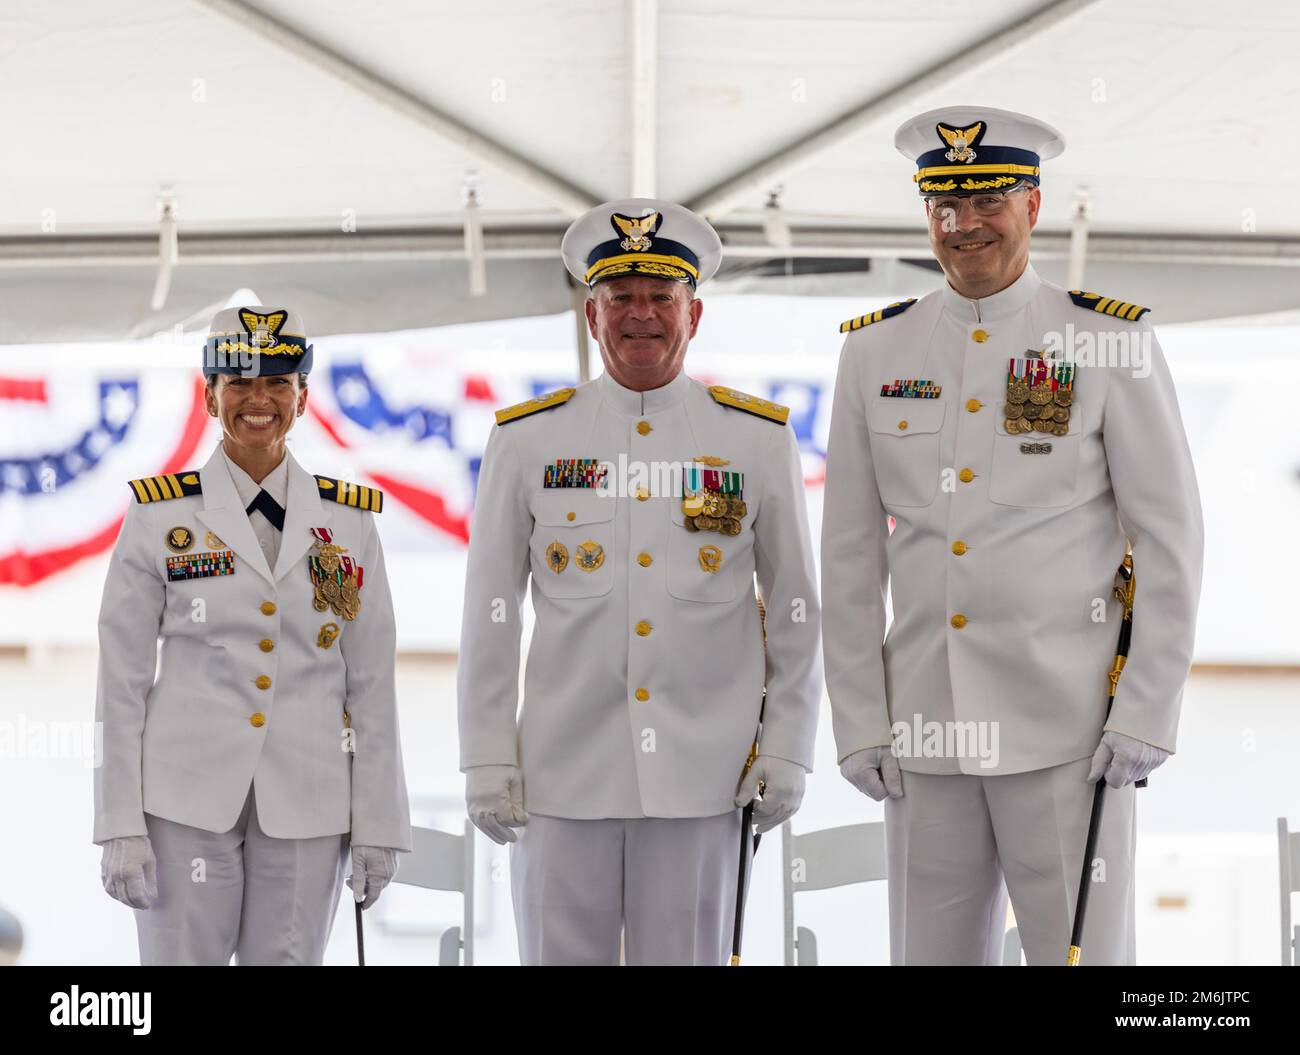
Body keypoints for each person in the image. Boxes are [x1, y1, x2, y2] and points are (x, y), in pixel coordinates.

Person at [821, 107, 1204, 965]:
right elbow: (849, 555)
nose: (966, 226)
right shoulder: (875, 353)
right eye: (945, 207)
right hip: (925, 729)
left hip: (1069, 733)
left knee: (1086, 961)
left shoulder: (1110, 341)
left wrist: (1147, 707)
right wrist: (859, 721)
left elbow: (1170, 535)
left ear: (1034, 204)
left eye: (989, 200)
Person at [457, 199, 821, 965]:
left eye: (661, 296)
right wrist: (487, 755)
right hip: (561, 778)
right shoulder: (528, 438)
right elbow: (490, 614)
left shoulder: (754, 438)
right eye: (621, 297)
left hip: (706, 779)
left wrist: (788, 747)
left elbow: (795, 609)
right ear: (592, 315)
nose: (641, 314)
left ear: (696, 311)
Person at [94, 305, 411, 965]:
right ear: (210, 395)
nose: (258, 398)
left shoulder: (348, 524)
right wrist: (118, 821)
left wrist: (381, 821)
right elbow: (121, 681)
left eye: (277, 380)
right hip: (182, 804)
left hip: (310, 803)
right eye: (238, 381)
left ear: (302, 395)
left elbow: (372, 681)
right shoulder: (160, 515)